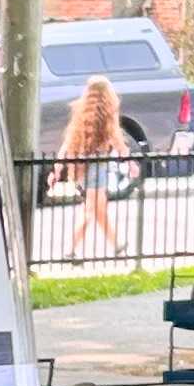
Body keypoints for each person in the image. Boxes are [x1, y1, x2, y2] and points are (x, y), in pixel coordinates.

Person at [55, 73, 126, 260]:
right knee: (91, 210)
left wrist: (58, 166)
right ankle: (69, 250)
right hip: (98, 165)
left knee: (98, 209)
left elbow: (69, 140)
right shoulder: (108, 113)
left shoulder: (81, 111)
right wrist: (128, 159)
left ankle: (117, 245)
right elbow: (116, 138)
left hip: (82, 166)